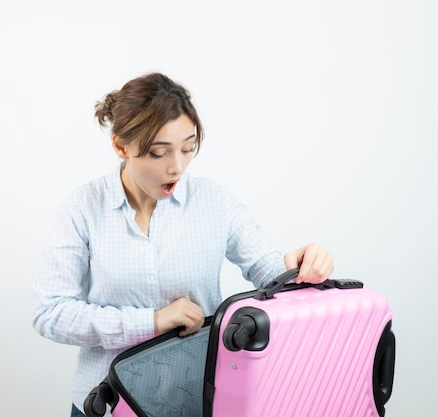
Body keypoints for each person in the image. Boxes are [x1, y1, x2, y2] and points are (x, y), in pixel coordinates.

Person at [32, 72, 334, 417]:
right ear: (121, 147)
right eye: (159, 152)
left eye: (188, 148)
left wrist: (300, 266)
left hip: (194, 400)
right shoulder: (82, 207)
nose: (177, 166)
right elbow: (51, 312)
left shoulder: (215, 202)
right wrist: (153, 321)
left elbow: (268, 272)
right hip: (107, 404)